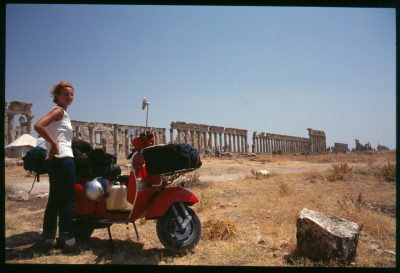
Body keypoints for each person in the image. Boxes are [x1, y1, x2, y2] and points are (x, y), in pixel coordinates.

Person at [34, 80, 77, 252]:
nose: (69, 96)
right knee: (67, 200)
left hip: (54, 160)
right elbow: (38, 126)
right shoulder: (58, 111)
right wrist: (54, 144)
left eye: (71, 94)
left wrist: (53, 145)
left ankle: (48, 238)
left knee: (54, 200)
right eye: (65, 93)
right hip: (64, 159)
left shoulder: (61, 113)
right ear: (57, 96)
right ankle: (68, 240)